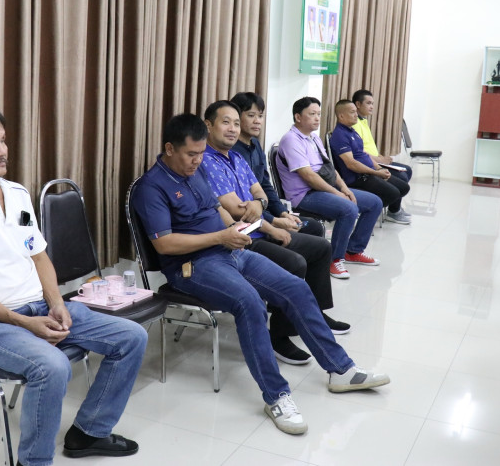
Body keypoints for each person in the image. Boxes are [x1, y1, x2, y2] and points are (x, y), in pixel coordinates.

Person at [132, 113, 389, 435]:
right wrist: (220, 237)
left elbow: (216, 209)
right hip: (192, 266)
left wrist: (238, 227)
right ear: (169, 148)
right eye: (190, 154)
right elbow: (165, 244)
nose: (197, 161)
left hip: (230, 250)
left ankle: (341, 370)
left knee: (296, 287)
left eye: (200, 154)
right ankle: (276, 396)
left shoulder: (195, 172)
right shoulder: (151, 187)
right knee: (249, 303)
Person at [0, 105, 146, 466]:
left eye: (3, 140)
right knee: (53, 366)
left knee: (132, 337)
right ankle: (34, 462)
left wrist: (56, 303)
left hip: (40, 308)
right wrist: (23, 322)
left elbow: (39, 256)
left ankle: (89, 432)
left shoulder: (16, 194)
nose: (2, 150)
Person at [201, 100, 350, 366]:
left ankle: (315, 311)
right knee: (295, 262)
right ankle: (279, 336)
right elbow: (236, 210)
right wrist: (270, 224)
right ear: (209, 125)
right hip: (241, 239)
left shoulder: (236, 157)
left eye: (236, 123)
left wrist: (261, 206)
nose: (233, 129)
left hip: (258, 228)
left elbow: (260, 192)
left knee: (321, 247)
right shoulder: (206, 161)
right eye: (226, 122)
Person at [276, 97, 383, 279]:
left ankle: (353, 251)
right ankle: (334, 259)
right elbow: (308, 176)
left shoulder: (314, 138)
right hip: (304, 195)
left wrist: (344, 188)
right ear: (298, 117)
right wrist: (337, 193)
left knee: (375, 203)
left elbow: (329, 168)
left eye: (319, 114)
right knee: (349, 208)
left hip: (324, 188)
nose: (317, 118)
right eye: (312, 114)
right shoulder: (291, 140)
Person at [229, 92, 324, 238]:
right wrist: (275, 221)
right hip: (250, 219)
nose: (257, 121)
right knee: (315, 243)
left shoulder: (255, 144)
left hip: (265, 209)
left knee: (313, 227)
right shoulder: (231, 151)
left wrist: (283, 213)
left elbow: (265, 184)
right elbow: (242, 200)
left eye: (260, 116)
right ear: (237, 117)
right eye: (251, 115)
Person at [331, 100, 411, 225]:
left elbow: (363, 155)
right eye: (352, 112)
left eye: (356, 112)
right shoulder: (339, 135)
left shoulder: (352, 131)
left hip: (369, 172)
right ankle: (364, 212)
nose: (356, 115)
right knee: (393, 193)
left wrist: (379, 168)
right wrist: (376, 173)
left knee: (404, 187)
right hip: (358, 178)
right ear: (341, 116)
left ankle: (377, 211)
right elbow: (351, 163)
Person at [351, 89, 413, 183]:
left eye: (372, 104)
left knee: (407, 170)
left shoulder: (363, 121)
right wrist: (380, 160)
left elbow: (369, 146)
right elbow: (358, 151)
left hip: (376, 160)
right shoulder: (354, 124)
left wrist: (382, 157)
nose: (372, 107)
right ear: (358, 104)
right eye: (368, 103)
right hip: (369, 163)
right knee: (403, 176)